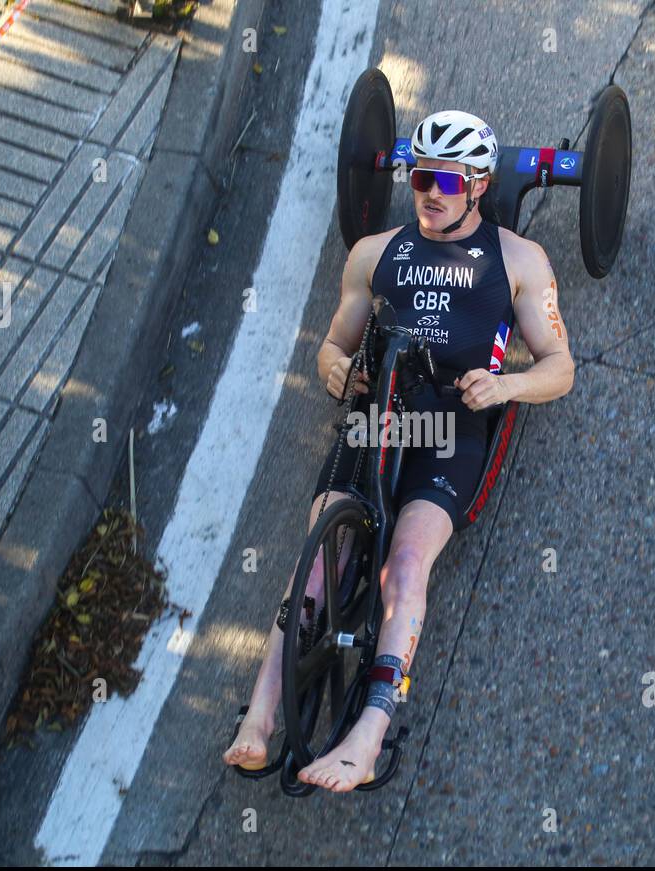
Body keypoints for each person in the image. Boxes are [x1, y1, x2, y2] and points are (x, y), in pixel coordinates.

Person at [223, 108, 575, 792]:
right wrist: (334, 370)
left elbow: (560, 367)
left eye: (446, 180)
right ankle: (260, 716)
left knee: (407, 566)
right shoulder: (374, 253)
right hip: (376, 415)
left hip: (453, 427)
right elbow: (332, 344)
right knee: (314, 571)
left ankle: (367, 737)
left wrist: (505, 386)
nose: (429, 192)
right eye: (419, 177)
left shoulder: (522, 261)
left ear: (478, 185)